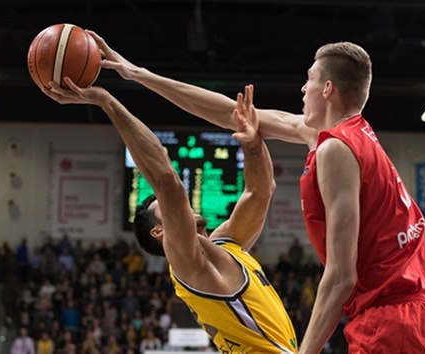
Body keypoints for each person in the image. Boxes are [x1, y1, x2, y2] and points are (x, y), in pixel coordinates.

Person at [85, 30, 425, 353]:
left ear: (327, 89)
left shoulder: (333, 149)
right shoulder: (354, 136)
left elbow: (337, 271)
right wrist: (137, 76)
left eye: (309, 80)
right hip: (424, 318)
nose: (302, 88)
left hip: (392, 323)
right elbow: (232, 119)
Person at [42, 79, 297, 353]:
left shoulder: (225, 245)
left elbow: (260, 191)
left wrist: (252, 143)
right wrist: (107, 102)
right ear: (159, 231)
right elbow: (168, 183)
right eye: (162, 206)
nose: (181, 205)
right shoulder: (186, 263)